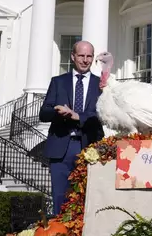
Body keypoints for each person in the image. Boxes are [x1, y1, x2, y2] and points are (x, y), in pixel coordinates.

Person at [39, 40, 104, 215]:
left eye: (89, 56)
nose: (85, 60)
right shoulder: (58, 82)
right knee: (60, 198)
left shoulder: (101, 85)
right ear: (73, 56)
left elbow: (102, 115)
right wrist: (59, 111)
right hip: (61, 146)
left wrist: (77, 116)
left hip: (89, 145)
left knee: (88, 198)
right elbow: (43, 113)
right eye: (81, 55)